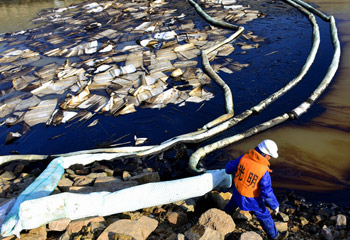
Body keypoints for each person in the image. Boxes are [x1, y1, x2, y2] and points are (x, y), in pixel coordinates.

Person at [224, 139, 288, 240]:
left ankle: (225, 215)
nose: (270, 158)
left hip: (237, 190)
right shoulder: (263, 171)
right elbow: (267, 192)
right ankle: (275, 236)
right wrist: (275, 205)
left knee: (233, 202)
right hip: (250, 198)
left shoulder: (244, 157)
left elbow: (228, 169)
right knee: (264, 215)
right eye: (270, 156)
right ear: (265, 154)